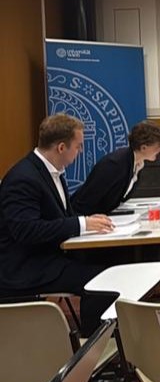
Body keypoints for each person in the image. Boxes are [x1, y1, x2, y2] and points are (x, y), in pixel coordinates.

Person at [0, 114, 116, 336]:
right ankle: (92, 345)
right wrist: (81, 223)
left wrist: (88, 221)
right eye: (78, 146)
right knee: (103, 282)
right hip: (25, 267)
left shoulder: (52, 172)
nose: (80, 151)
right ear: (61, 147)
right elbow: (26, 231)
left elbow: (60, 218)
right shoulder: (23, 179)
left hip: (47, 256)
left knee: (111, 262)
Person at [71, 120, 160, 215]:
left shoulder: (138, 164)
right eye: (158, 146)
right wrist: (85, 222)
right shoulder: (114, 164)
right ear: (143, 147)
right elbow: (87, 200)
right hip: (83, 217)